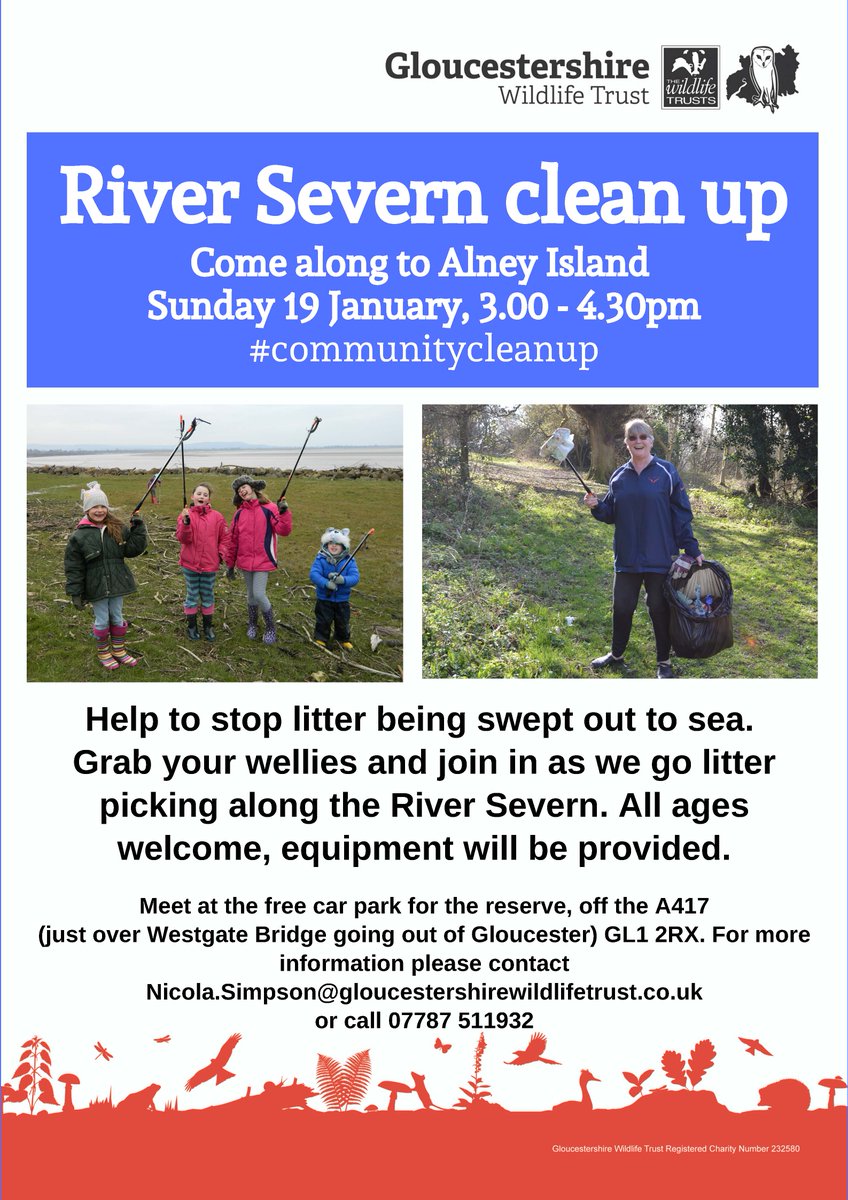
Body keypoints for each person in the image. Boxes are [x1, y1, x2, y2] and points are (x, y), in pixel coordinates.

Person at [583, 419, 703, 679]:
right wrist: (596, 506)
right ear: (626, 443)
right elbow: (611, 512)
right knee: (622, 607)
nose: (638, 441)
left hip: (660, 556)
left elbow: (681, 513)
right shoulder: (618, 476)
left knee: (659, 608)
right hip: (626, 557)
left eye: (643, 437)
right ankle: (616, 655)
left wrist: (690, 548)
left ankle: (663, 662)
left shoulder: (666, 472)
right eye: (632, 437)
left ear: (650, 440)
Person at [64, 482, 148, 671]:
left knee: (117, 617)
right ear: (87, 510)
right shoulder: (78, 536)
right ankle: (104, 651)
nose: (99, 510)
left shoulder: (116, 527)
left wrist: (138, 528)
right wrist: (75, 592)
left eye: (103, 506)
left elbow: (133, 549)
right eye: (95, 507)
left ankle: (118, 650)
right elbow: (73, 567)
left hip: (117, 582)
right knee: (102, 619)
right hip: (96, 586)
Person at [224, 475, 292, 644]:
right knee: (251, 596)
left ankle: (270, 627)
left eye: (244, 487)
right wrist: (230, 565)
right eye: (239, 491)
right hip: (245, 561)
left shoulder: (270, 508)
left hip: (263, 560)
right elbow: (233, 540)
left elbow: (283, 530)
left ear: (252, 487)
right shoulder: (239, 513)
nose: (242, 491)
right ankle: (253, 624)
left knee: (259, 594)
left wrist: (284, 512)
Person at [175, 482, 228, 642]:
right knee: (191, 595)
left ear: (209, 499)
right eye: (199, 493)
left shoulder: (217, 517)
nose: (201, 496)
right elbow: (183, 539)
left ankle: (207, 627)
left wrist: (220, 554)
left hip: (209, 566)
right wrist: (185, 523)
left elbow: (225, 538)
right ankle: (192, 627)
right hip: (189, 564)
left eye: (205, 494)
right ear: (192, 496)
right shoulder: (185, 515)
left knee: (207, 595)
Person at [309, 527, 360, 649]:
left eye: (337, 544)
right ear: (326, 544)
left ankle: (342, 639)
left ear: (343, 546)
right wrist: (326, 583)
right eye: (331, 543)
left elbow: (355, 577)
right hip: (324, 598)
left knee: (342, 621)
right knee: (323, 620)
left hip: (342, 599)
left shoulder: (350, 560)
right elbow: (314, 574)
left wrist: (343, 580)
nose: (334, 546)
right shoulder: (320, 558)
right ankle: (321, 638)